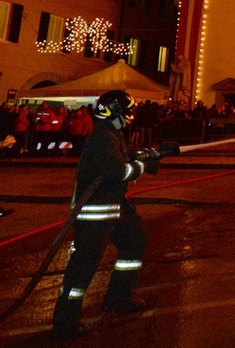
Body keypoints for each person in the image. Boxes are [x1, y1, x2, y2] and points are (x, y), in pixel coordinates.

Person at [52, 90, 170, 340]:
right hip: (96, 211)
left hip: (115, 206)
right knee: (84, 265)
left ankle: (118, 296)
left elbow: (123, 159)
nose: (130, 117)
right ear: (112, 111)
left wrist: (151, 154)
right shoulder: (103, 136)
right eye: (126, 111)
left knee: (134, 240)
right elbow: (116, 170)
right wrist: (142, 166)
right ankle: (64, 321)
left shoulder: (111, 134)